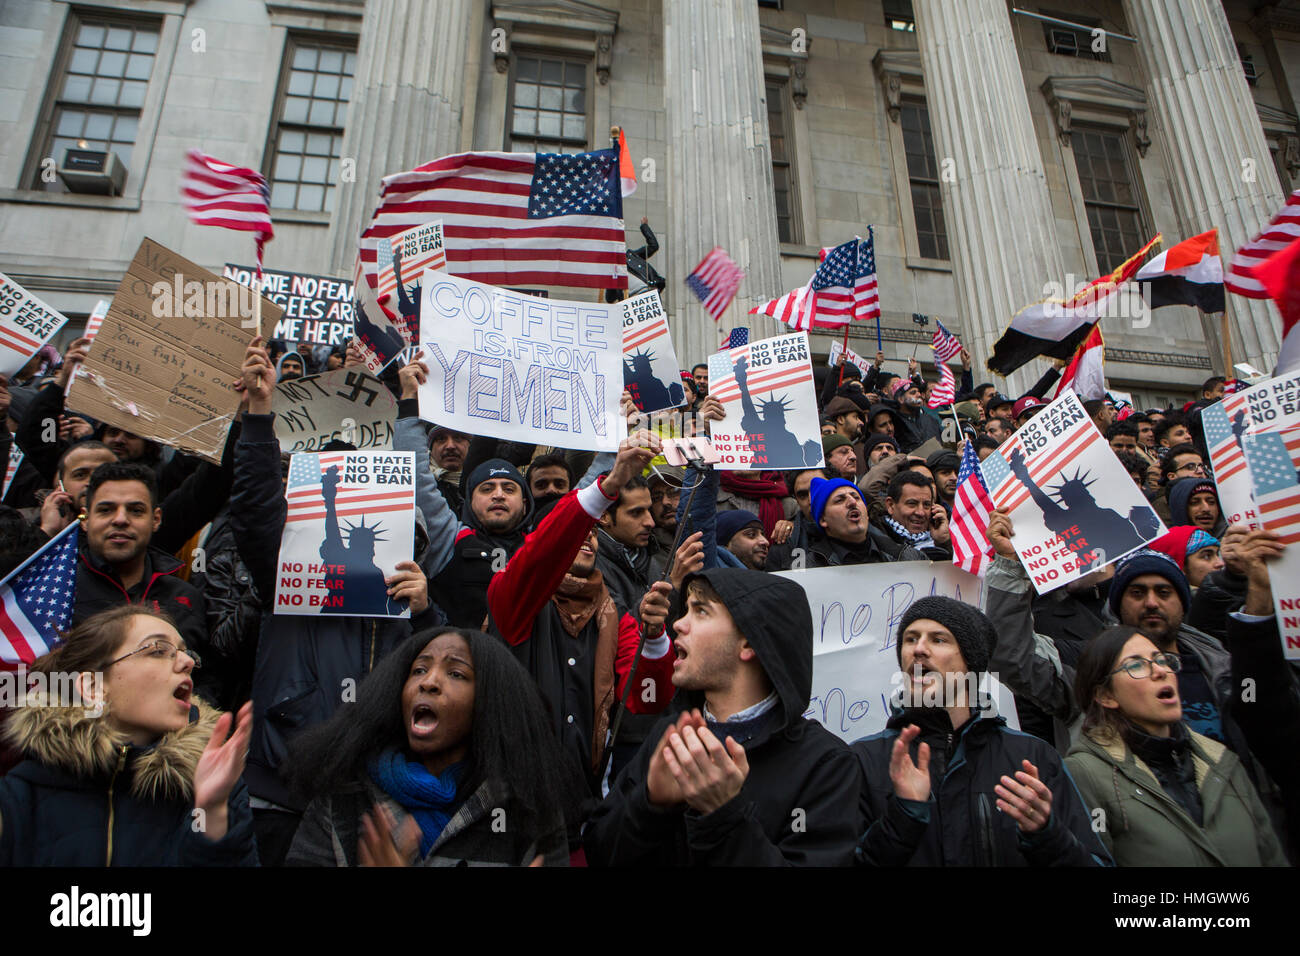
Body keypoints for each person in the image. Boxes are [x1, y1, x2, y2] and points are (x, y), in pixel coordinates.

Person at [231, 337, 442, 864]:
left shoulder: (412, 611)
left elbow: (441, 682)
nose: (378, 540)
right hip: (280, 791)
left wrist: (425, 616)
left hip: (374, 798)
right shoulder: (299, 570)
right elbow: (255, 511)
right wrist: (259, 416)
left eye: (399, 536)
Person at [583, 568, 861, 866]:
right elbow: (599, 851)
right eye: (685, 609)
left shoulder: (826, 764)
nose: (678, 623)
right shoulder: (672, 736)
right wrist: (649, 804)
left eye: (700, 611)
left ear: (750, 642)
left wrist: (723, 815)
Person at [486, 433, 678, 797]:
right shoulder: (512, 601)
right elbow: (548, 546)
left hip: (583, 804)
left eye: (592, 531)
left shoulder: (615, 617)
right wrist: (611, 483)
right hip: (513, 798)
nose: (586, 537)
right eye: (579, 530)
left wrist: (654, 640)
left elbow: (647, 700)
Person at [853, 597, 1110, 866]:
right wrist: (902, 819)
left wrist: (1047, 836)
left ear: (971, 662)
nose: (918, 649)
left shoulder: (1032, 757)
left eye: (938, 640)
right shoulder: (863, 759)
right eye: (910, 639)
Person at [284, 628, 573, 866]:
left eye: (456, 674)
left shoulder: (530, 806)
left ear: (488, 702)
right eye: (419, 670)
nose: (429, 682)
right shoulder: (344, 795)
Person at [0, 606, 257, 865]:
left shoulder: (216, 783)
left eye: (186, 653)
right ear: (93, 687)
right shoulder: (17, 799)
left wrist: (209, 813)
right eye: (158, 650)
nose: (188, 662)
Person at [1064, 626, 1286, 866]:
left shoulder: (1223, 761)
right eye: (1136, 665)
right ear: (1106, 696)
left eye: (1162, 660)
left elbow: (1272, 857)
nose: (1160, 671)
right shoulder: (1085, 774)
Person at [74, 462, 212, 695]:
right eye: (106, 509)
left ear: (156, 519)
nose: (120, 519)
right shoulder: (58, 594)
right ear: (85, 519)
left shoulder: (185, 597)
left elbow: (207, 681)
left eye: (135, 510)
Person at [807, 477, 920, 566]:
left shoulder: (906, 556)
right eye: (839, 500)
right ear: (823, 520)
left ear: (866, 514)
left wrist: (938, 542)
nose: (852, 502)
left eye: (856, 497)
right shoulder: (809, 567)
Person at [872, 470, 950, 560]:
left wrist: (943, 542)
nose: (920, 512)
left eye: (926, 505)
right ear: (890, 505)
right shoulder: (873, 540)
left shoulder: (941, 539)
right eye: (912, 503)